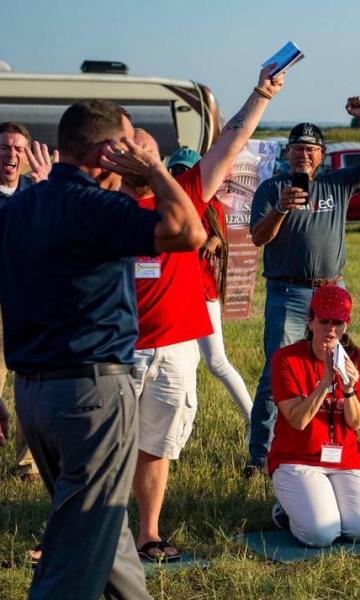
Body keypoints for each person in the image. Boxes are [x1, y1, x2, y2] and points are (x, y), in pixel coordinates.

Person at [0, 98, 204, 599]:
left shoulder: (15, 210)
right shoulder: (98, 208)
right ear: (108, 152)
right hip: (93, 397)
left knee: (105, 531)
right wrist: (154, 168)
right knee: (73, 564)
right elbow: (189, 230)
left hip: (33, 399)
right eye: (126, 143)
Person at [122, 66, 284, 562]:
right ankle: (88, 534)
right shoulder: (100, 204)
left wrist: (260, 92)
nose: (141, 155)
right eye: (134, 148)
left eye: (147, 149)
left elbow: (231, 143)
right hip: (117, 347)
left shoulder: (187, 192)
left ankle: (147, 534)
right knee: (100, 449)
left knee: (158, 444)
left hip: (173, 347)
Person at [245, 97, 360, 477]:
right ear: (287, 153)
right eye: (297, 149)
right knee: (277, 369)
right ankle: (259, 455)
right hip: (288, 293)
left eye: (310, 149)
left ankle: (334, 442)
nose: (303, 156)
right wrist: (279, 208)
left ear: (321, 154)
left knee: (337, 366)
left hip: (330, 293)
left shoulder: (337, 183)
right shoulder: (271, 188)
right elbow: (258, 238)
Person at [267, 284, 360, 547]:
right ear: (310, 321)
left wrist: (349, 389)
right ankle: (288, 510)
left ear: (345, 326)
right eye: (324, 321)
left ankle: (317, 504)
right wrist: (325, 382)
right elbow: (297, 420)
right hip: (298, 459)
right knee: (321, 534)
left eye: (338, 322)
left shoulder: (357, 360)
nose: (330, 329)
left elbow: (356, 422)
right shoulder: (286, 358)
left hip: (346, 460)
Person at [0, 122, 56, 486]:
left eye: (18, 149)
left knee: (30, 378)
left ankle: (28, 461)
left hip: (28, 297)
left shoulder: (37, 191)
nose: (11, 155)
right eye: (5, 147)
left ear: (26, 156)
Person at [167, 147, 253, 423]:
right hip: (174, 296)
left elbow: (223, 239)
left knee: (216, 362)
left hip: (202, 295)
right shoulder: (164, 204)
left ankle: (255, 420)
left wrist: (216, 240)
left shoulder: (211, 206)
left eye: (185, 170)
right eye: (175, 170)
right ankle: (183, 421)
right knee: (184, 365)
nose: (180, 176)